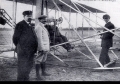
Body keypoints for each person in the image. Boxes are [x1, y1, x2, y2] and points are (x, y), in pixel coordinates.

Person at [13, 10, 38, 81]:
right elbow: (15, 38)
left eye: (31, 16)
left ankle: (26, 78)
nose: (29, 17)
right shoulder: (20, 24)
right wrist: (20, 47)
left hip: (31, 50)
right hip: (23, 51)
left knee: (29, 65)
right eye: (28, 16)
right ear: (24, 16)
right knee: (22, 67)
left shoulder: (30, 25)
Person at [34, 15, 50, 80]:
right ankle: (37, 76)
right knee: (38, 60)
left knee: (44, 60)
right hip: (42, 47)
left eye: (45, 19)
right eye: (44, 19)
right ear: (40, 20)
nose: (45, 20)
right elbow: (39, 39)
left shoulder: (42, 26)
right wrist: (41, 48)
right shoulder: (39, 27)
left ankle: (43, 72)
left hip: (45, 47)